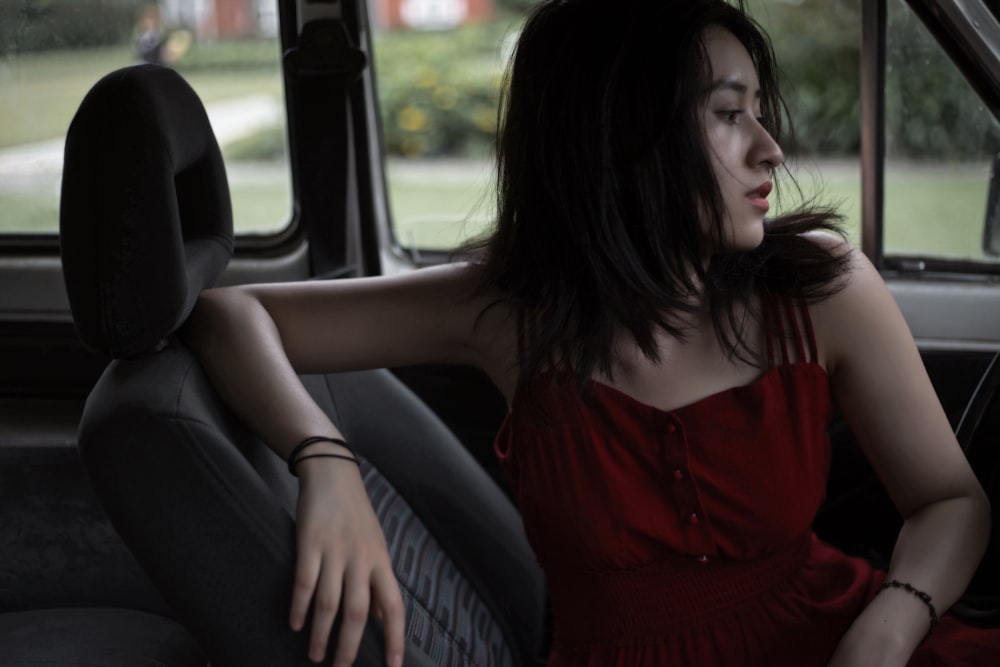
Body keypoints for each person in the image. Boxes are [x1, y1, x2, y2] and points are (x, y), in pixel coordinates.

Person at [182, 0, 998, 665]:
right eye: (728, 115)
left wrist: (892, 622)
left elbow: (951, 499)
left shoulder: (822, 288)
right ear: (622, 137)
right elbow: (229, 312)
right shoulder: (511, 310)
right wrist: (322, 458)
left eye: (759, 113)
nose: (770, 149)